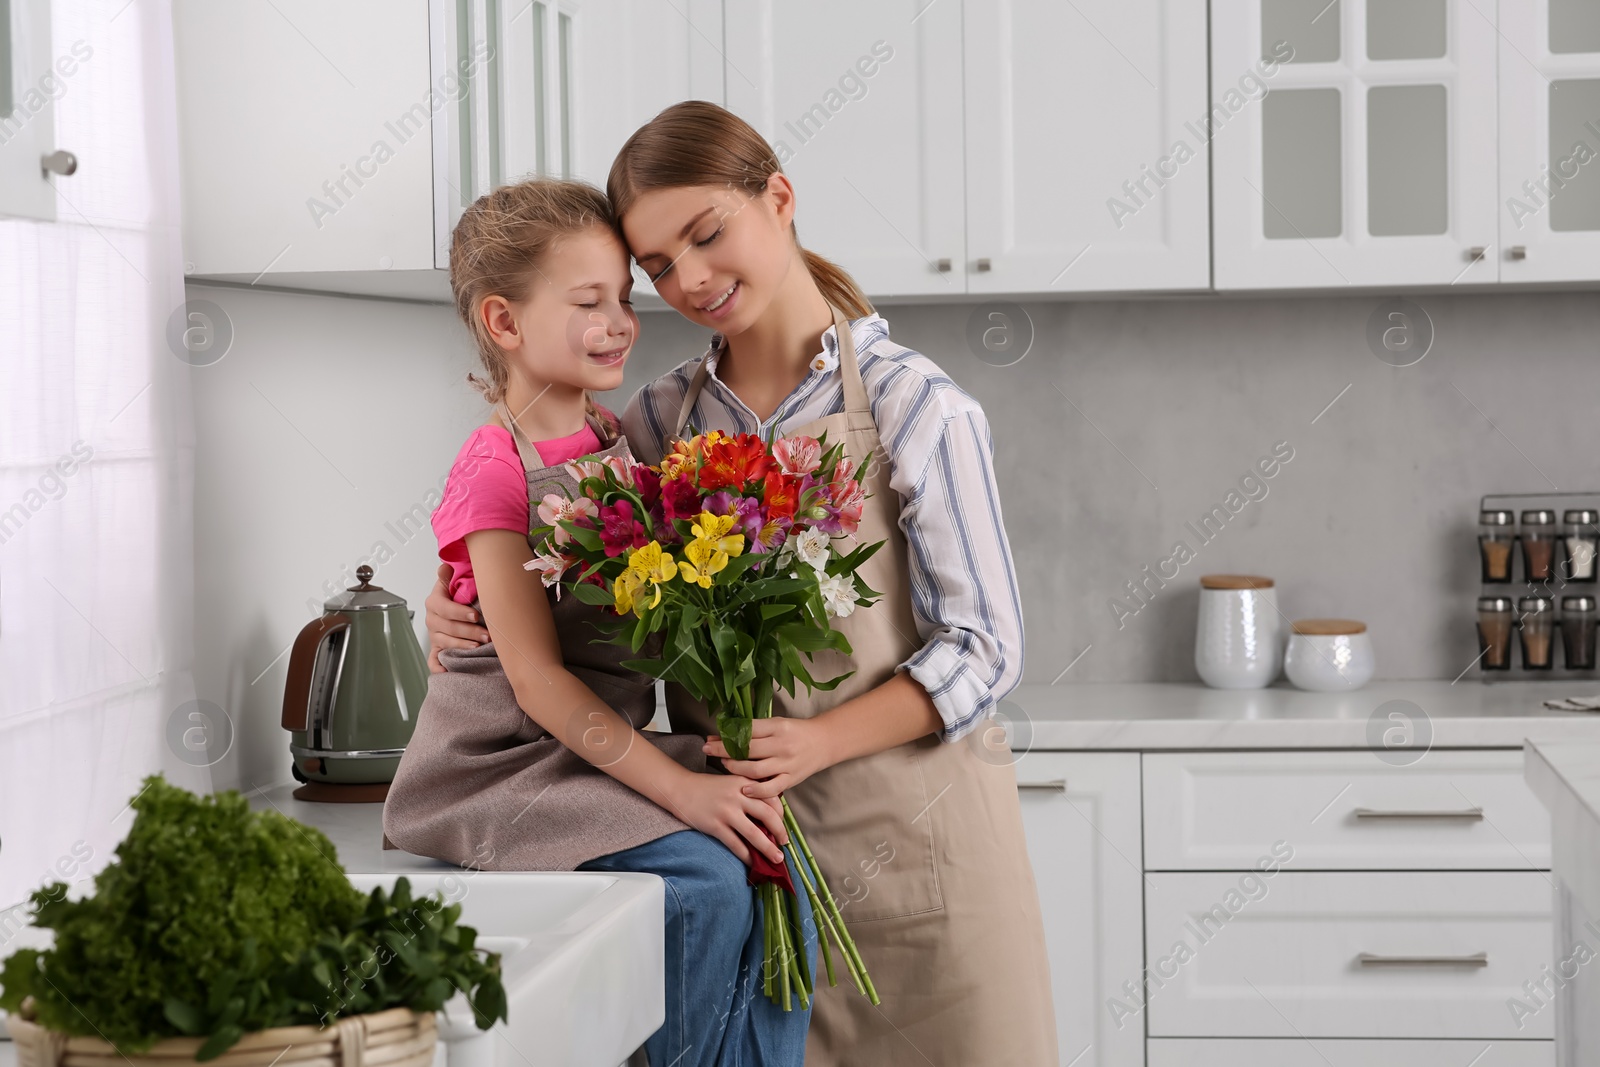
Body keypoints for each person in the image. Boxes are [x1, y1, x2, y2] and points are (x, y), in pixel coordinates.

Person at [426, 103, 1057, 1065]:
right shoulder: (655, 418)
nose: (692, 280)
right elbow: (555, 557)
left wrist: (816, 741)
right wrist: (455, 602)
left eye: (708, 234)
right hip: (740, 864)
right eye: (661, 266)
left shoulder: (913, 404)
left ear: (780, 198)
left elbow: (987, 647)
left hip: (920, 862)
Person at [383, 177, 814, 1067]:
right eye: (590, 301)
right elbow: (536, 680)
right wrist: (686, 789)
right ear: (504, 323)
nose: (622, 319)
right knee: (703, 890)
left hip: (587, 749)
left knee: (780, 854)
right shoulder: (494, 467)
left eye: (624, 295)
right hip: (500, 767)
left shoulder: (613, 435)